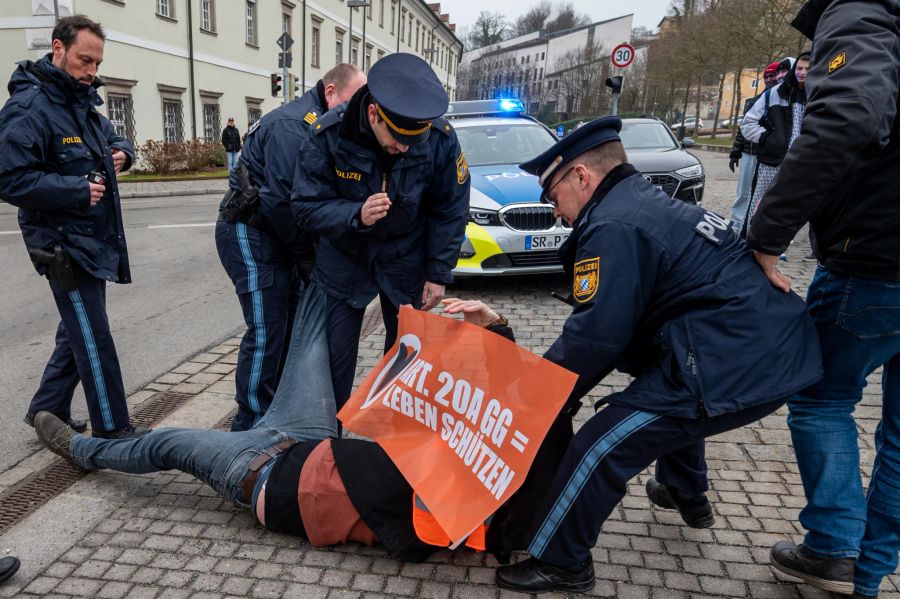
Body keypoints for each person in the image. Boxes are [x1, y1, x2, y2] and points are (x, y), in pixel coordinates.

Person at [492, 116, 823, 594]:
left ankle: (563, 562)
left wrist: (541, 394)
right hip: (755, 348)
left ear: (582, 177)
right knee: (664, 401)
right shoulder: (641, 203)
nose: (556, 212)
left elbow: (596, 335)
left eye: (553, 197)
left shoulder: (613, 225)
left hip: (733, 362)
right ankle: (684, 492)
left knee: (603, 443)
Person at [33, 285, 554, 563]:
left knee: (164, 442)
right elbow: (494, 410)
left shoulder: (463, 517)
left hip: (259, 473)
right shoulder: (483, 462)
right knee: (314, 321)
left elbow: (425, 533)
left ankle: (80, 449)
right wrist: (499, 329)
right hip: (308, 436)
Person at [746, 1, 900, 597]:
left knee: (820, 397)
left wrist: (767, 233)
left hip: (875, 262)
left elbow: (848, 116)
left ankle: (835, 547)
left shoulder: (862, 12)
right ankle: (869, 573)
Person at [291, 53, 470, 410]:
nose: (404, 148)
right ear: (373, 114)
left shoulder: (439, 139)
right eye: (397, 138)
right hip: (345, 255)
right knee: (332, 363)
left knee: (409, 357)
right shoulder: (329, 134)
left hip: (406, 255)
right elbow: (304, 206)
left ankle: (394, 443)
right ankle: (328, 442)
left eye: (412, 141)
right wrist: (354, 213)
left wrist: (438, 270)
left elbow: (449, 209)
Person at [0, 15, 147, 439]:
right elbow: (9, 179)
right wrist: (75, 190)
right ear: (58, 48)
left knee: (78, 328)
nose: (92, 71)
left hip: (91, 238)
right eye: (85, 60)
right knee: (93, 337)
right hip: (61, 245)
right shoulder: (29, 107)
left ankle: (47, 408)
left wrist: (124, 153)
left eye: (98, 63)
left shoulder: (78, 98)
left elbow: (110, 135)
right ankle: (113, 430)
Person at [216, 64, 366, 431]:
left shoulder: (324, 125)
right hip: (249, 231)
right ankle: (248, 426)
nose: (356, 114)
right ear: (331, 92)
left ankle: (277, 416)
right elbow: (284, 204)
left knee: (289, 327)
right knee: (267, 330)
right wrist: (307, 256)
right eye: (352, 103)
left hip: (278, 235)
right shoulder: (293, 127)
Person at [740, 52, 810, 234]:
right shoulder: (773, 94)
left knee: (787, 210)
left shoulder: (816, 96)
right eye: (800, 68)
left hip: (800, 165)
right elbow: (747, 124)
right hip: (771, 162)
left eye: (808, 69)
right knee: (758, 204)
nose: (802, 73)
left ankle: (773, 247)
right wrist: (768, 139)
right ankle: (749, 242)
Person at [727, 61, 780, 233]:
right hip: (750, 153)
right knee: (743, 192)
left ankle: (760, 227)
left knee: (767, 195)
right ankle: (737, 225)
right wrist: (735, 152)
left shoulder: (785, 102)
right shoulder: (755, 101)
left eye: (773, 75)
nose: (770, 79)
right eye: (767, 77)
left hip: (771, 155)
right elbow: (744, 128)